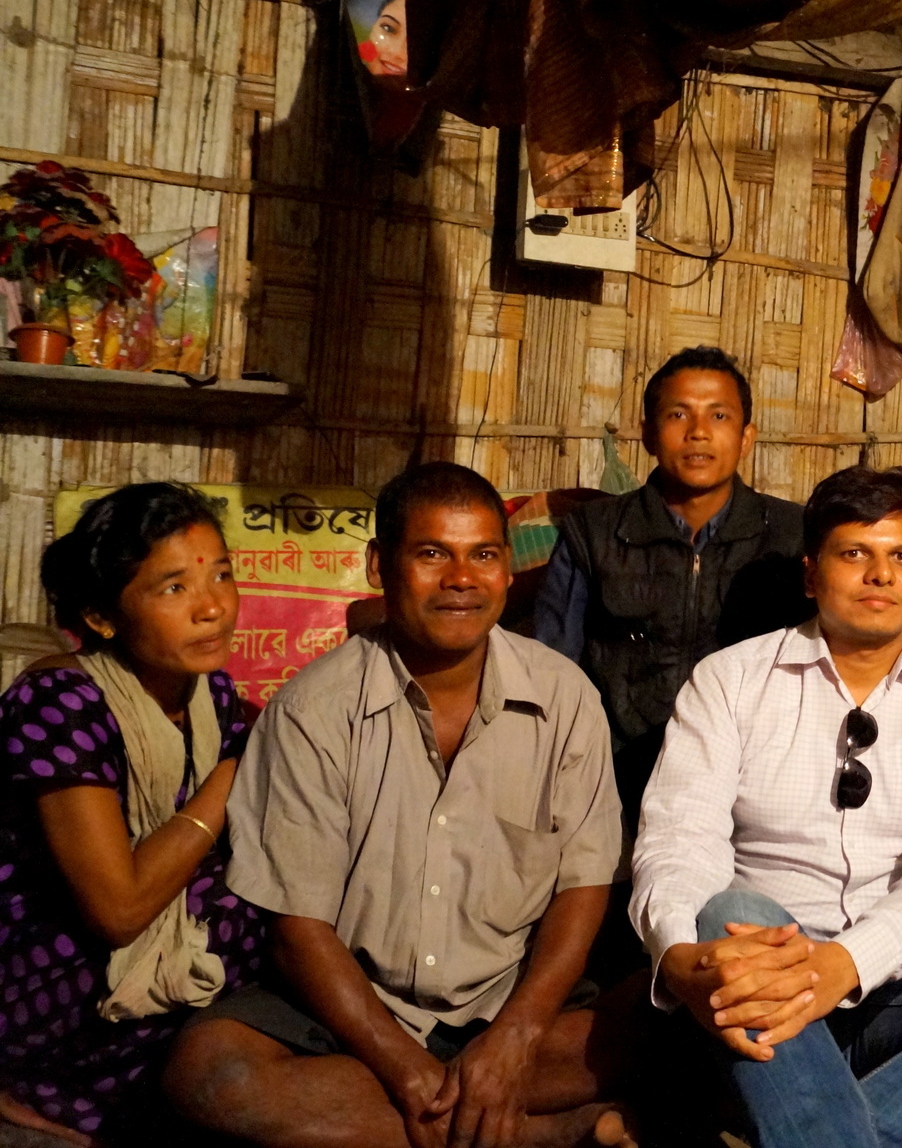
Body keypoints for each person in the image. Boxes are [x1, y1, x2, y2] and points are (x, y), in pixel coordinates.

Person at [163, 463, 636, 1148]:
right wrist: (406, 1070)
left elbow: (585, 882)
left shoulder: (564, 697)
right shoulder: (311, 712)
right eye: (431, 554)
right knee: (212, 1075)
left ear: (507, 571)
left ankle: (432, 1115)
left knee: (672, 1021)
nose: (461, 580)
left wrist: (516, 1038)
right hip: (352, 1018)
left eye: (483, 555)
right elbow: (300, 930)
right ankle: (552, 1133)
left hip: (514, 1000)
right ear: (379, 565)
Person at [633, 465, 902, 1148]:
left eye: (901, 557)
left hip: (890, 980)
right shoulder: (730, 681)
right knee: (731, 912)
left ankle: (806, 1118)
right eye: (855, 554)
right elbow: (679, 839)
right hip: (750, 977)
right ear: (812, 574)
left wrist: (846, 964)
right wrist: (681, 954)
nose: (880, 575)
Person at [0, 483, 263, 1144]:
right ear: (102, 616)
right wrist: (232, 777)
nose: (212, 607)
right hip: (67, 1008)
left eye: (221, 574)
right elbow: (116, 907)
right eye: (173, 588)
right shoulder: (62, 703)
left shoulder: (215, 697)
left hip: (179, 1000)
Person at [536, 346, 814, 813]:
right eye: (678, 413)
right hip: (617, 779)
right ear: (647, 432)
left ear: (747, 438)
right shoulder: (594, 533)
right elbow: (552, 670)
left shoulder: (795, 535)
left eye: (719, 415)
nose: (699, 432)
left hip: (758, 786)